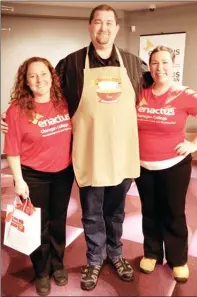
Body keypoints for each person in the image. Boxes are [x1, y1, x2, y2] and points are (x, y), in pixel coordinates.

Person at [1, 4, 150, 291]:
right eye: (98, 22)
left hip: (121, 155)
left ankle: (116, 254)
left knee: (116, 212)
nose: (103, 28)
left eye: (109, 23)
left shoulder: (134, 64)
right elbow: (45, 98)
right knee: (91, 213)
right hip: (89, 155)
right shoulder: (70, 65)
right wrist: (10, 118)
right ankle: (95, 259)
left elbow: (153, 95)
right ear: (89, 27)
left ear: (117, 28)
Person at [135, 45, 197, 282]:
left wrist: (194, 144)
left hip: (174, 166)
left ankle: (178, 259)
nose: (160, 68)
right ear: (150, 67)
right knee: (149, 211)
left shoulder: (186, 95)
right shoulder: (141, 93)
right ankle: (151, 253)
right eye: (155, 63)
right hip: (143, 166)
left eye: (165, 62)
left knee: (173, 213)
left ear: (173, 66)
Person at [3, 57, 74, 296]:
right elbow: (11, 148)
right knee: (39, 226)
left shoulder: (64, 102)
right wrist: (19, 180)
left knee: (58, 220)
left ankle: (58, 264)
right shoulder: (17, 109)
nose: (39, 80)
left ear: (52, 76)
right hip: (33, 176)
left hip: (63, 173)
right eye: (32, 75)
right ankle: (42, 270)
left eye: (43, 74)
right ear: (25, 81)